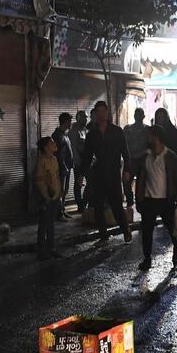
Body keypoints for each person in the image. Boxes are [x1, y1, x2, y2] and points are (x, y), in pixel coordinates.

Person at [79, 100, 133, 247]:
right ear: (95, 114)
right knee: (98, 205)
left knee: (116, 205)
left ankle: (126, 230)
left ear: (107, 112)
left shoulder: (117, 131)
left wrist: (127, 170)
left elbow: (125, 152)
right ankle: (103, 236)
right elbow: (87, 156)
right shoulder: (92, 134)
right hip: (98, 173)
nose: (101, 114)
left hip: (114, 172)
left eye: (104, 111)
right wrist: (81, 175)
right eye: (99, 112)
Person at [136, 125, 177, 271]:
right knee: (146, 231)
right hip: (148, 200)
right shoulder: (146, 156)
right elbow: (140, 179)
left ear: (156, 138)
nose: (147, 138)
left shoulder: (170, 156)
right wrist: (138, 199)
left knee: (172, 229)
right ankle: (147, 259)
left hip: (166, 200)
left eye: (149, 136)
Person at [34, 136, 62, 260]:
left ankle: (52, 248)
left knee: (51, 223)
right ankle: (41, 250)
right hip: (46, 198)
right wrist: (46, 197)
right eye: (52, 142)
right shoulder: (42, 161)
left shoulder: (54, 159)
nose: (55, 143)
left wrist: (58, 194)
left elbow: (56, 178)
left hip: (54, 197)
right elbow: (39, 181)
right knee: (44, 224)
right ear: (46, 147)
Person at [123, 108, 149, 209]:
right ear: (134, 116)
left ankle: (140, 202)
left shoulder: (147, 129)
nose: (138, 117)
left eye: (140, 115)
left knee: (142, 183)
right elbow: (123, 144)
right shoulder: (128, 129)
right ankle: (130, 201)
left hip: (143, 160)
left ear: (143, 116)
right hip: (130, 159)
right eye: (136, 114)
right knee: (126, 181)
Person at [51, 113, 74, 221]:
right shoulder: (57, 135)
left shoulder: (65, 134)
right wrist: (63, 166)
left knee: (64, 190)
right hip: (61, 167)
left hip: (67, 167)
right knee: (60, 190)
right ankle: (58, 214)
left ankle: (62, 210)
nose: (71, 123)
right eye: (70, 121)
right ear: (65, 122)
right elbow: (58, 153)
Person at [69, 110, 89, 212]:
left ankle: (84, 202)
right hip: (79, 162)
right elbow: (73, 148)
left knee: (90, 183)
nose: (86, 119)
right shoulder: (74, 131)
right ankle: (80, 206)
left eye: (86, 117)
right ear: (78, 118)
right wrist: (78, 163)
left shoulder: (85, 130)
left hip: (87, 161)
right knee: (78, 184)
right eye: (84, 117)